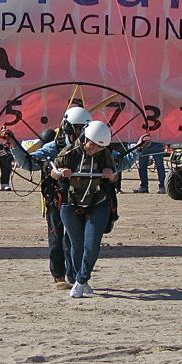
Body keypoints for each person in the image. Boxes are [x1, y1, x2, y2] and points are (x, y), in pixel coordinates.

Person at [3, 106, 93, 286]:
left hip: (81, 200)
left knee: (75, 241)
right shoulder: (54, 147)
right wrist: (14, 144)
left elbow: (115, 162)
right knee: (56, 239)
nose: (80, 133)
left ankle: (75, 277)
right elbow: (30, 163)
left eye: (83, 129)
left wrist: (136, 149)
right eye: (76, 129)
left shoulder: (92, 148)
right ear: (67, 127)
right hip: (57, 200)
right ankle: (58, 276)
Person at [54, 120, 143, 298]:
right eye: (92, 145)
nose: (95, 150)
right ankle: (82, 280)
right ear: (85, 139)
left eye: (99, 147)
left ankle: (81, 280)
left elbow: (118, 168)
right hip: (71, 204)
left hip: (98, 202)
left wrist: (111, 176)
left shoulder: (106, 154)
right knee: (76, 245)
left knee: (92, 244)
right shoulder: (69, 153)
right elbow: (52, 170)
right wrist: (60, 173)